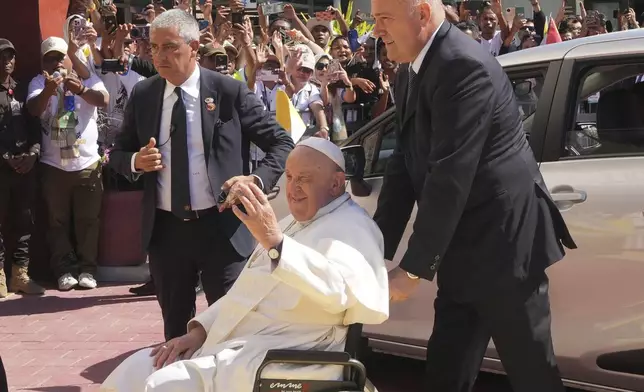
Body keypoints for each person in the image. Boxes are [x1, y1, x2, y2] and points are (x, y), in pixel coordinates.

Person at [370, 0, 577, 391]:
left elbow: (450, 174)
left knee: (533, 373)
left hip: (505, 252)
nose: (375, 30)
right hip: (460, 250)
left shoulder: (462, 66)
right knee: (446, 371)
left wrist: (412, 270)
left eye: (384, 19)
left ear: (423, 15)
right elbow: (404, 161)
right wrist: (374, 247)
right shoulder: (410, 70)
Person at [100, 138, 389, 392]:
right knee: (137, 366)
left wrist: (275, 243)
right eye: (288, 177)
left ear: (336, 183)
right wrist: (197, 333)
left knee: (164, 385)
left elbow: (339, 294)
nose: (293, 188)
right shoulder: (291, 225)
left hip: (292, 355)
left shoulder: (353, 228)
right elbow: (245, 293)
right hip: (243, 345)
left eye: (304, 179)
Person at [108, 9, 294, 341]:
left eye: (169, 47)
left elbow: (281, 141)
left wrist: (255, 181)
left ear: (194, 47)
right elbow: (117, 154)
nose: (159, 56)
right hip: (167, 233)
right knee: (176, 332)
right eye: (153, 47)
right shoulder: (145, 94)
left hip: (221, 228)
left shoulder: (228, 92)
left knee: (230, 327)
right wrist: (137, 160)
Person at [27, 37, 109, 292]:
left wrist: (81, 89)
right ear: (43, 62)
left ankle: (88, 269)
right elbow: (32, 108)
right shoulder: (39, 82)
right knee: (57, 222)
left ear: (68, 58)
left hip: (86, 163)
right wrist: (50, 90)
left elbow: (103, 99)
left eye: (59, 57)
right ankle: (64, 270)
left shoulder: (87, 77)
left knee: (88, 220)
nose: (55, 63)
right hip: (54, 165)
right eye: (49, 58)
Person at [0, 39, 44, 297]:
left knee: (24, 223)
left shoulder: (25, 89)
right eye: (2, 56)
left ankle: (20, 275)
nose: (7, 61)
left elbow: (36, 127)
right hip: (2, 169)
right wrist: (5, 156)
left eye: (11, 56)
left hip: (25, 168)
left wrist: (33, 154)